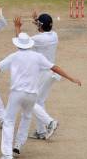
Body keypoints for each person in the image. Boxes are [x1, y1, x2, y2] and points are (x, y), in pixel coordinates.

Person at [0, 33, 82, 159]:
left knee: (9, 121)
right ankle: (18, 145)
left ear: (18, 44)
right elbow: (54, 67)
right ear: (29, 45)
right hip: (32, 94)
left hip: (17, 93)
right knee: (26, 117)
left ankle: (7, 155)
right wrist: (71, 78)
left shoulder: (14, 56)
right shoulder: (38, 57)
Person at [13, 12, 59, 140]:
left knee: (31, 101)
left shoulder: (39, 39)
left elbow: (21, 43)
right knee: (39, 101)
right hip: (51, 73)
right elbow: (44, 29)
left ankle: (50, 122)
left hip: (42, 74)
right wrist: (36, 21)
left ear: (41, 26)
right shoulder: (54, 35)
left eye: (38, 24)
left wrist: (17, 27)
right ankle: (41, 131)